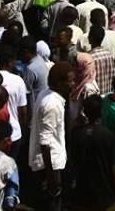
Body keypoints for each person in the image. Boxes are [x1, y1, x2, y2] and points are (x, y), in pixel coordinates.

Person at [69, 94, 115, 211]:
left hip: (81, 193)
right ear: (101, 112)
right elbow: (113, 167)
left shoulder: (76, 133)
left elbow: (72, 161)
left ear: (85, 111)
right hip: (103, 194)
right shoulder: (108, 136)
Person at [29, 62, 73, 211]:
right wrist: (51, 178)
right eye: (70, 81)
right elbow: (45, 142)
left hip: (51, 162)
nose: (73, 84)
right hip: (50, 165)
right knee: (52, 204)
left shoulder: (46, 94)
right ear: (59, 83)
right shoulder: (52, 105)